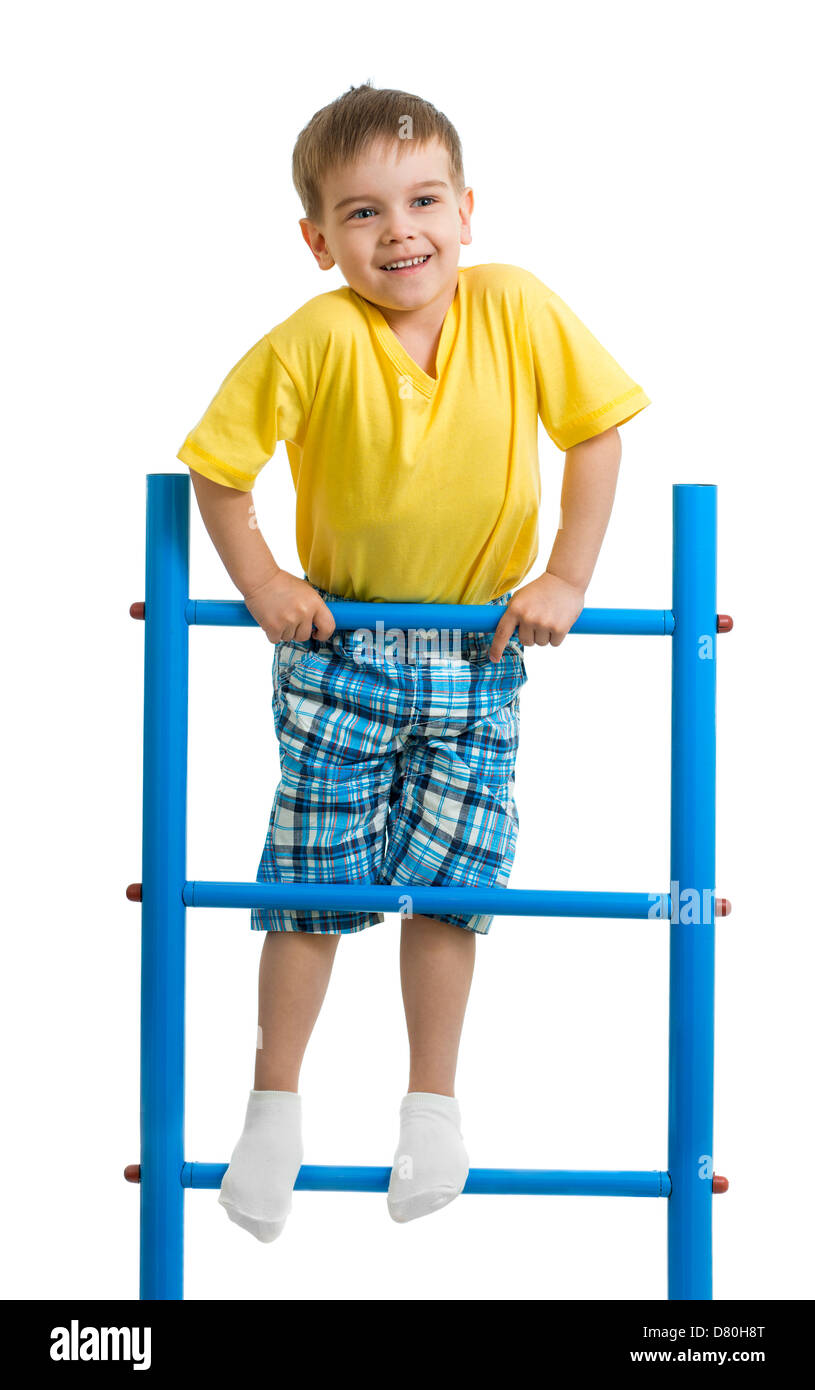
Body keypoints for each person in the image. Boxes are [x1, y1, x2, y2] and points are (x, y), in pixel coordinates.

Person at [176, 81, 651, 1242]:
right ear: (315, 239)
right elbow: (218, 469)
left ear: (468, 208)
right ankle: (272, 1105)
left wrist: (566, 578)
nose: (399, 231)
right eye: (360, 212)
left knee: (452, 885)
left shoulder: (516, 307)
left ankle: (430, 1104)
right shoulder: (314, 337)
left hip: (477, 648)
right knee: (311, 879)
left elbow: (594, 431)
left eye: (423, 198)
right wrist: (266, 585)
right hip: (342, 645)